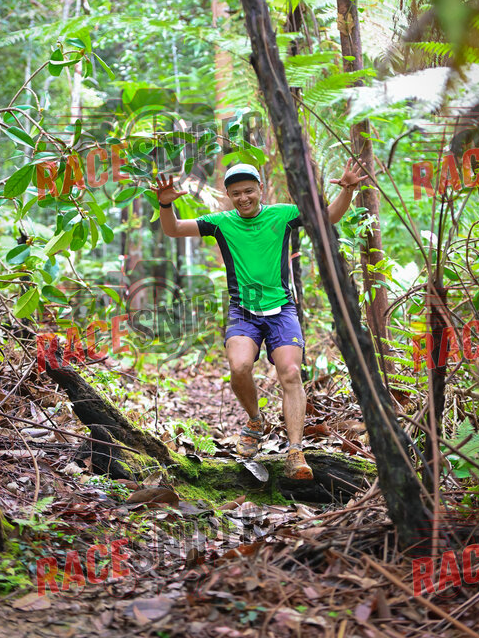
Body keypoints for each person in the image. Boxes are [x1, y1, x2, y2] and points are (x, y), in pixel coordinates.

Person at [153, 160, 368, 479]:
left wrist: (348, 190)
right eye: (236, 193)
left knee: (291, 373)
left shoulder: (283, 214)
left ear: (261, 189)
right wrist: (165, 204)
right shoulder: (220, 222)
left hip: (282, 309)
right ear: (228, 195)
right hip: (243, 310)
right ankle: (256, 420)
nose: (243, 198)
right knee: (239, 366)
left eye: (249, 191)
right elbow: (173, 229)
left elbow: (329, 217)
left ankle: (295, 452)